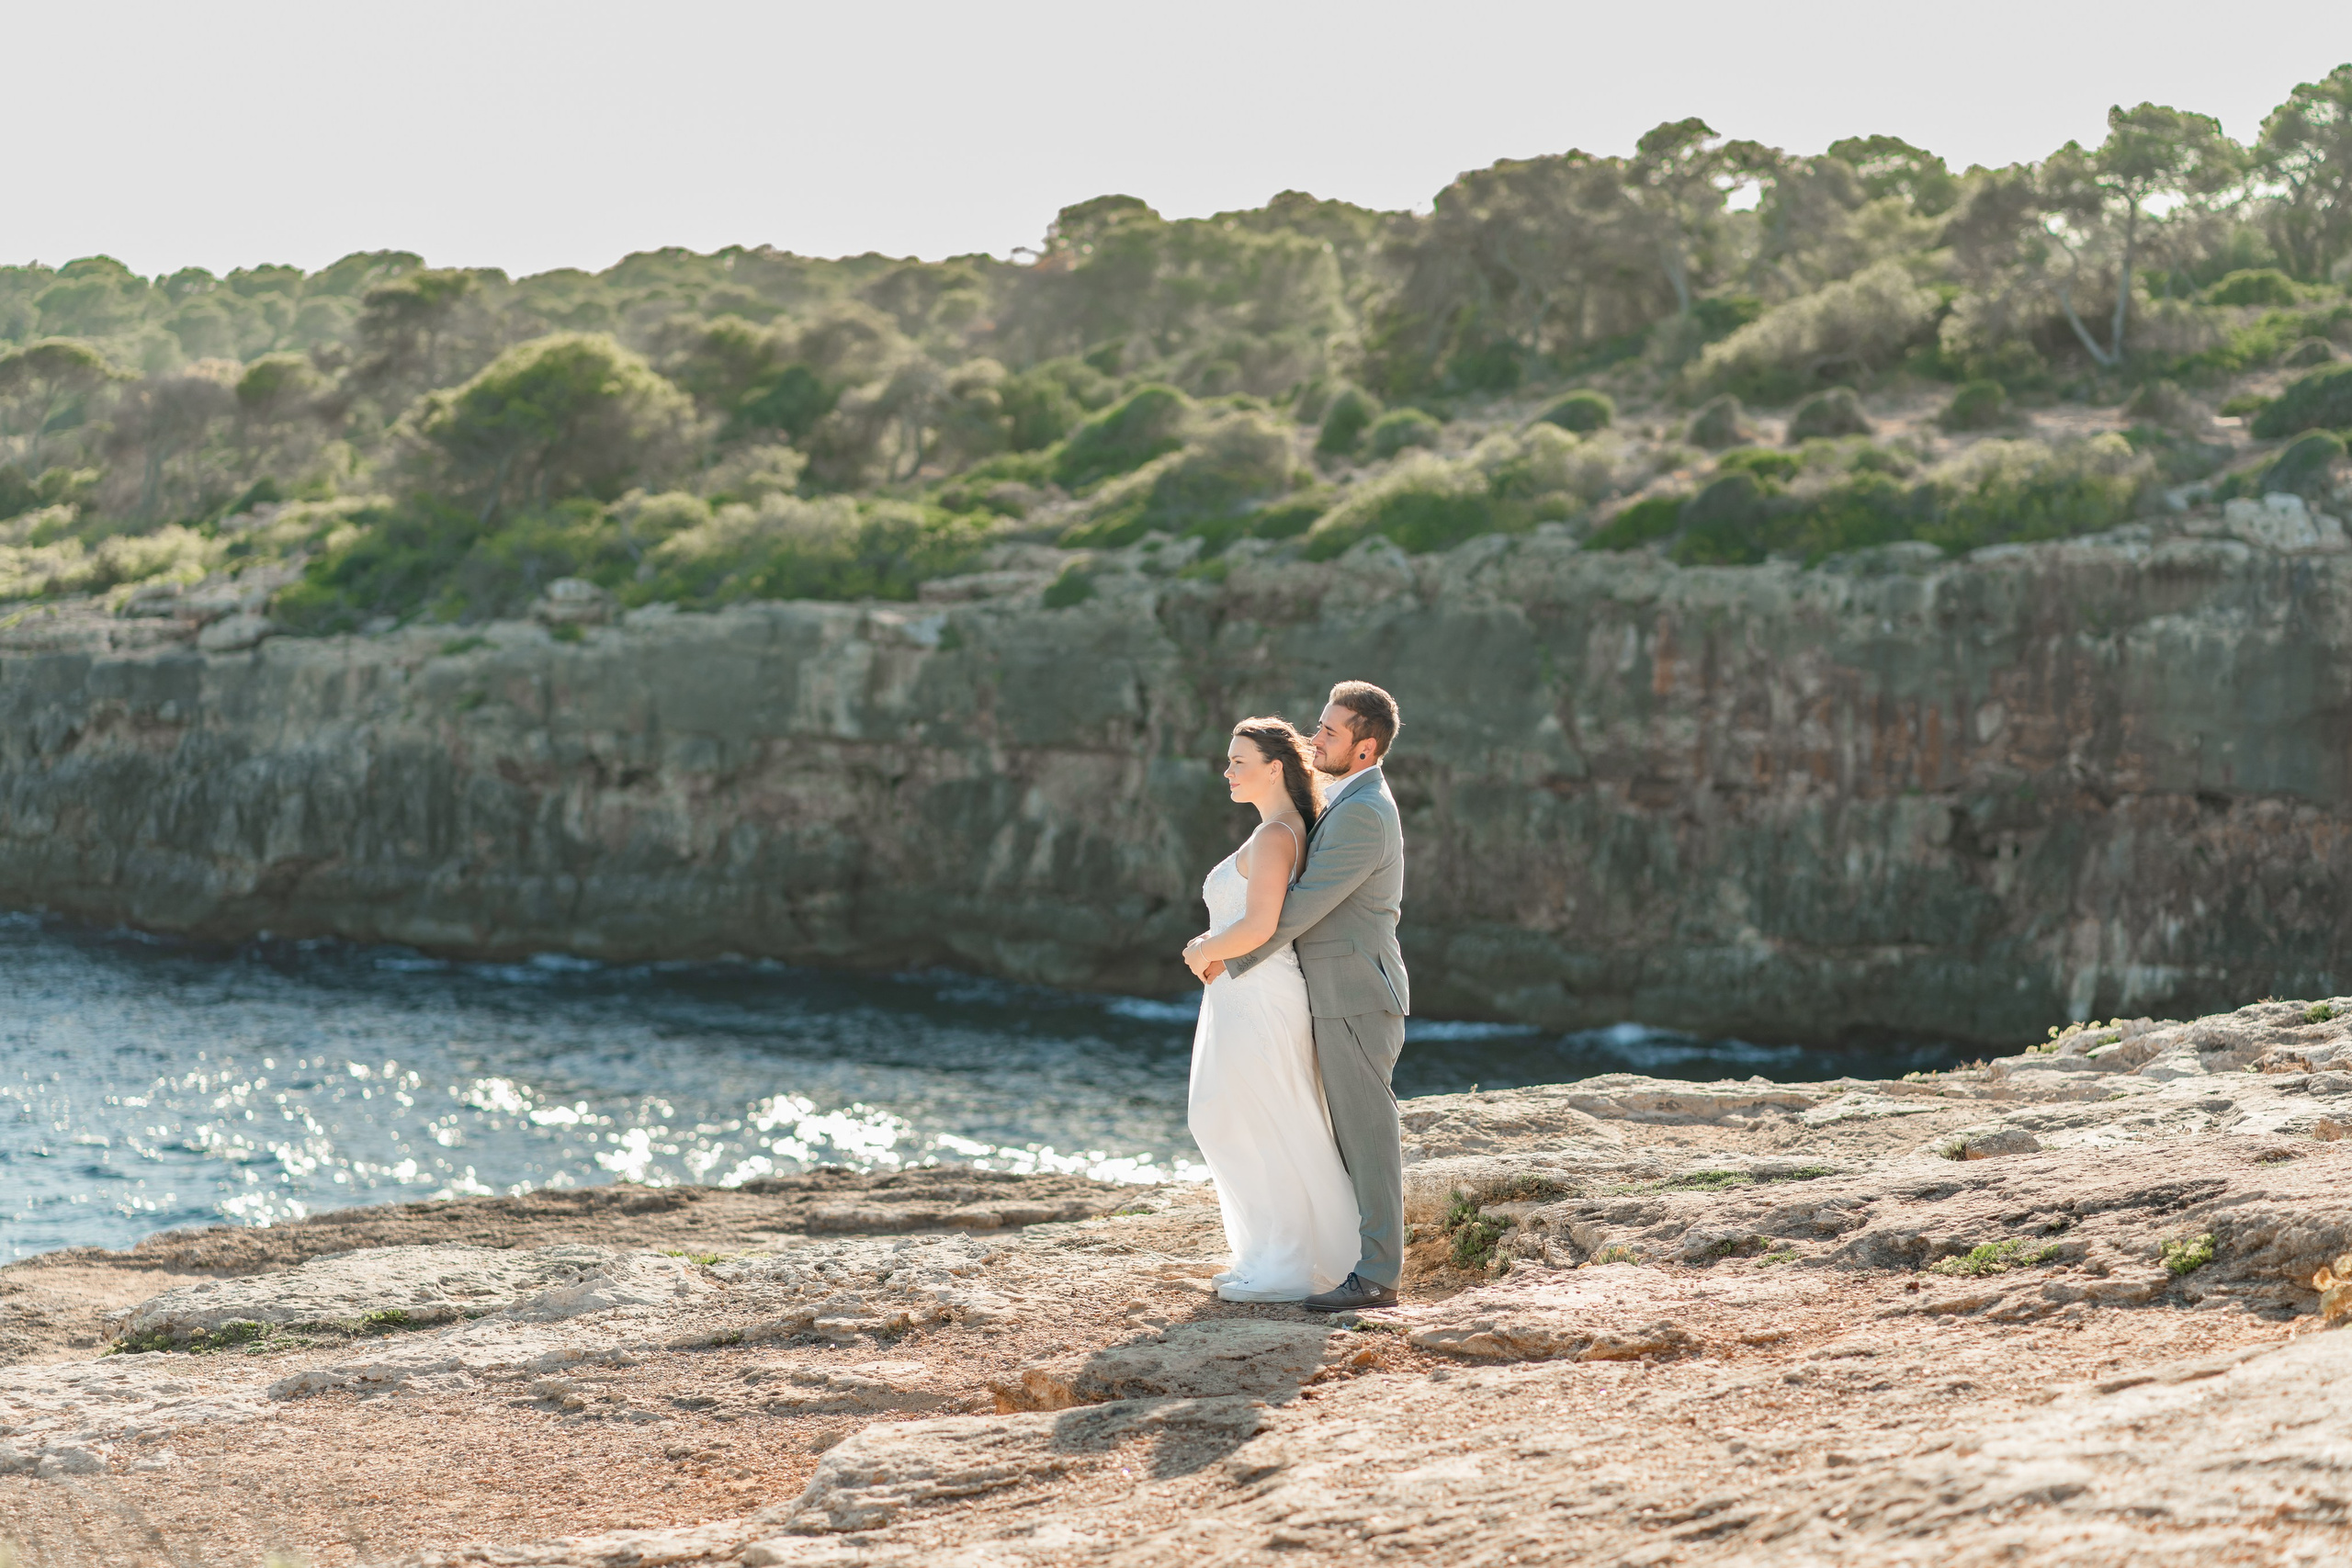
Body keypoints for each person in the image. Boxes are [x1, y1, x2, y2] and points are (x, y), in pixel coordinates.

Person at [1185, 681, 1409, 1313]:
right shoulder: (1346, 800)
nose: (1316, 738)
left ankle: (1375, 1275)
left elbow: (1302, 906)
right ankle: (1337, 1257)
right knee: (1325, 1129)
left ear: (1365, 749)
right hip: (1328, 991)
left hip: (1357, 993)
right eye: (1319, 725)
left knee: (1367, 1132)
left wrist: (1229, 954)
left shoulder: (1365, 810)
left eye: (1331, 731)